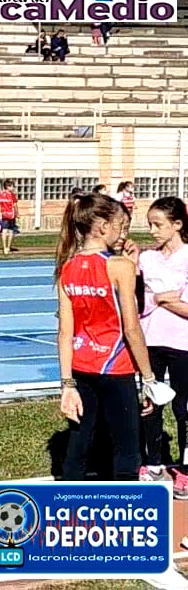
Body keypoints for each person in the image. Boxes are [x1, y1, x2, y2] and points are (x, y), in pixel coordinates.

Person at [56, 193, 165, 483]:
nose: (122, 232)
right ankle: (125, 512)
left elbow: (65, 332)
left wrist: (67, 384)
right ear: (104, 226)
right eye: (120, 225)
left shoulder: (67, 267)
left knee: (79, 443)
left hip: (82, 366)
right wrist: (150, 379)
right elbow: (131, 327)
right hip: (116, 367)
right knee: (128, 447)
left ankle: (69, 513)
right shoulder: (119, 266)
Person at [138, 197, 188, 492]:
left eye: (158, 225)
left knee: (183, 408)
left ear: (177, 225)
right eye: (150, 225)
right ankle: (154, 465)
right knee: (151, 405)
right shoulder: (147, 259)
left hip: (183, 344)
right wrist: (165, 297)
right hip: (150, 342)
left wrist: (163, 299)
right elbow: (142, 302)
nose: (153, 231)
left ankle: (184, 468)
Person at [0, 180, 20, 255]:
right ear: (8, 186)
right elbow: (15, 205)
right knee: (11, 231)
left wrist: (2, 210)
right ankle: (8, 247)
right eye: (12, 186)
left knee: (4, 231)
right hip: (11, 215)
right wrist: (17, 213)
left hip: (4, 215)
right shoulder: (12, 195)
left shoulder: (1, 195)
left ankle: (4, 247)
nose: (13, 188)